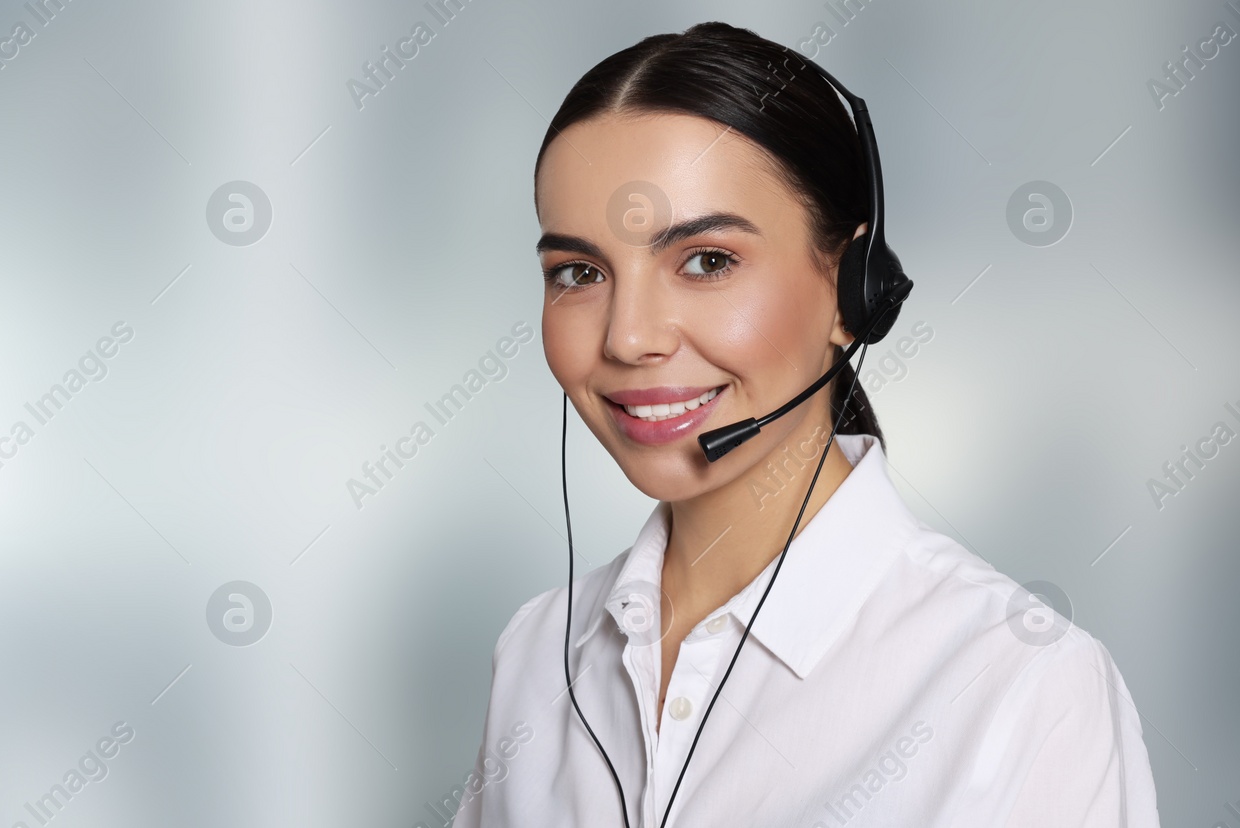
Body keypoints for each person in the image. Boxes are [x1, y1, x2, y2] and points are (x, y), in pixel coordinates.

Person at [452, 21, 1160, 828]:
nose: (628, 338)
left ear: (854, 291)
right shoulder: (539, 651)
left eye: (707, 261)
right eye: (579, 273)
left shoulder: (1019, 685)